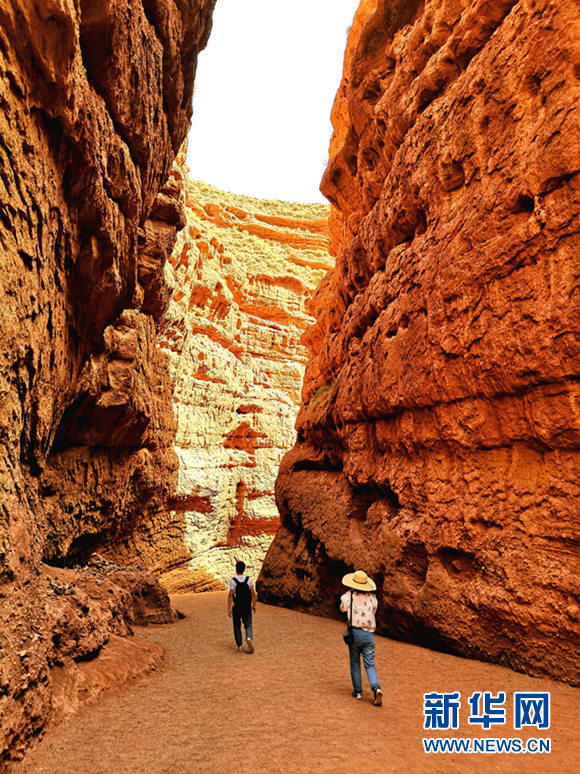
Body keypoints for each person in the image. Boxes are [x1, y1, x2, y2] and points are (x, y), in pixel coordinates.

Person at [340, 569, 382, 706]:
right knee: (370, 664)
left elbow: (343, 608)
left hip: (355, 633)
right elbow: (374, 610)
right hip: (369, 635)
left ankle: (357, 692)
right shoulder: (372, 598)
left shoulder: (349, 595)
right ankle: (376, 688)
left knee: (355, 663)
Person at [227, 560, 257, 652]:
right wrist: (254, 604)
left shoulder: (233, 581)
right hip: (247, 606)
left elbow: (231, 594)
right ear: (244, 569)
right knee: (248, 624)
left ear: (236, 570)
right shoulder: (249, 580)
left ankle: (239, 645)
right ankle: (248, 637)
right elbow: (253, 593)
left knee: (237, 625)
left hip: (237, 607)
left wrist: (229, 608)